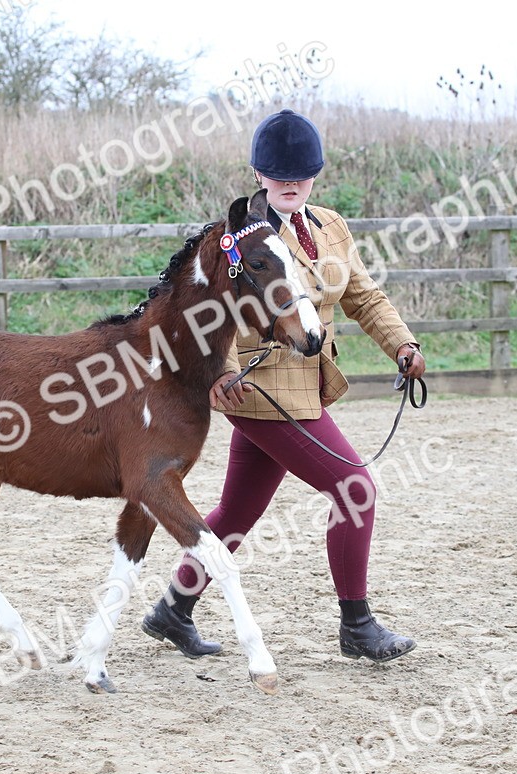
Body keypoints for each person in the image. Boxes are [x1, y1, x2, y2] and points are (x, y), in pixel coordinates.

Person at [140, 108, 426, 663]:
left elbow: (362, 296)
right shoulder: (235, 238)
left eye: (302, 173)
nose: (292, 182)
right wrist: (220, 371)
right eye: (280, 174)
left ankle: (173, 609)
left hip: (308, 384)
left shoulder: (331, 226)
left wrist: (403, 345)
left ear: (315, 175)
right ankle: (357, 625)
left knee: (237, 512)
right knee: (355, 489)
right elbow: (202, 310)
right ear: (258, 175)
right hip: (259, 390)